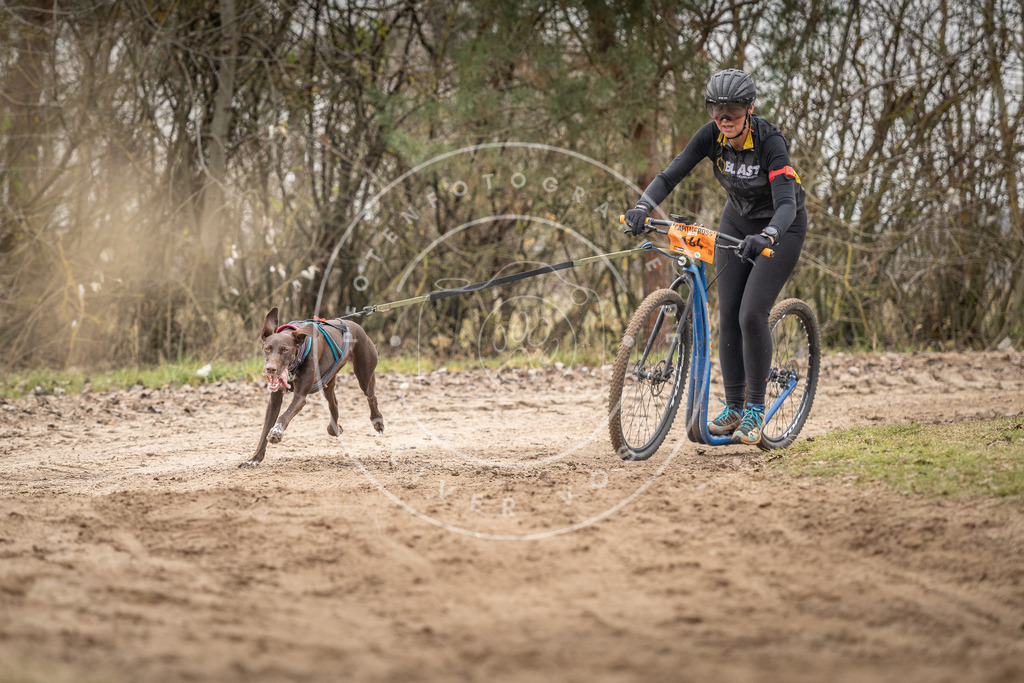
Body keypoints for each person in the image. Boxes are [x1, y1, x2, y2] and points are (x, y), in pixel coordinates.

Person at [623, 68, 807, 446]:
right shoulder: (711, 136)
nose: (723, 120)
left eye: (732, 113)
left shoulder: (770, 141)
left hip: (780, 228)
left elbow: (786, 204)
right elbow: (671, 174)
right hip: (737, 222)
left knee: (751, 314)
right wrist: (643, 205)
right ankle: (735, 406)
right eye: (716, 111)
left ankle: (755, 409)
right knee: (726, 315)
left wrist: (768, 234)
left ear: (750, 109)